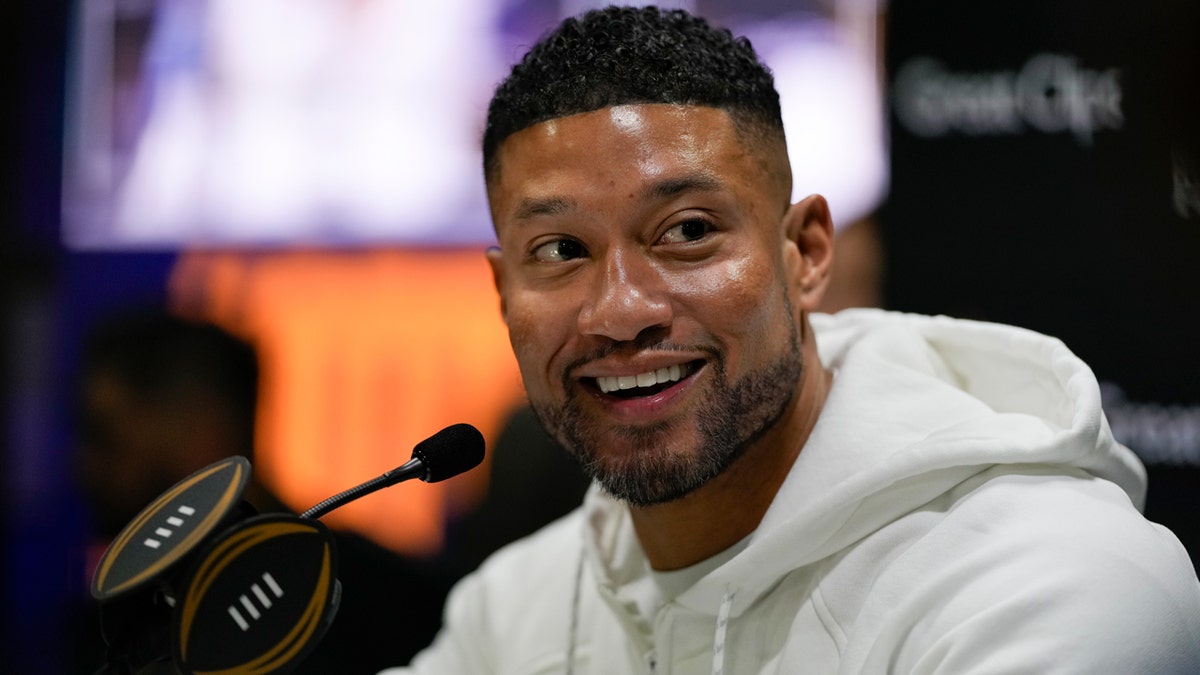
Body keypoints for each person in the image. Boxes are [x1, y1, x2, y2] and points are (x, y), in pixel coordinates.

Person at [379, 6, 1200, 674]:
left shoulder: (1047, 586)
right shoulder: (516, 608)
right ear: (502, 292)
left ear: (805, 252)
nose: (620, 310)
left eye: (688, 230)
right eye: (560, 251)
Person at [70, 308, 452, 674]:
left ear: (205, 430)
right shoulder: (115, 636)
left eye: (105, 436)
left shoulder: (392, 609)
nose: (85, 466)